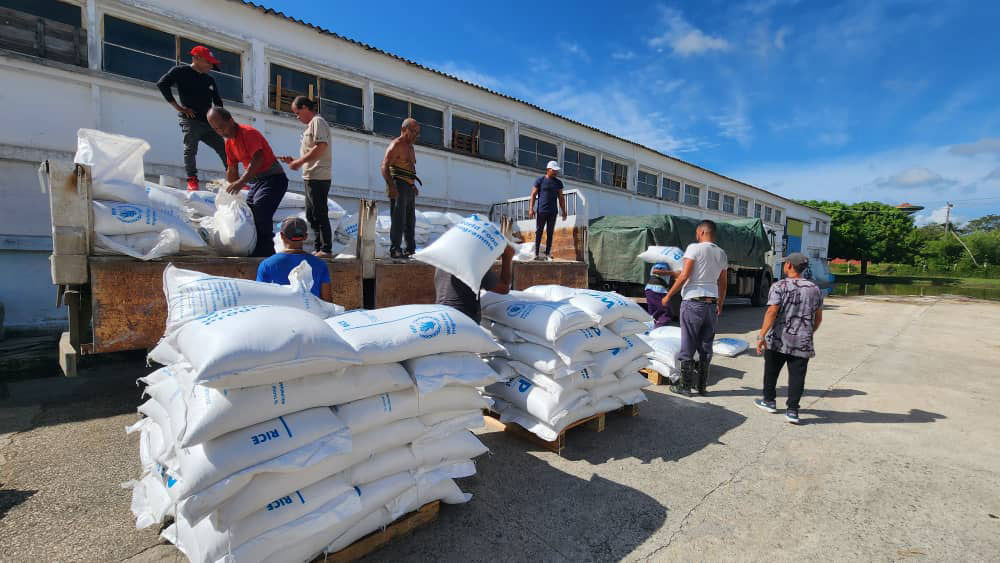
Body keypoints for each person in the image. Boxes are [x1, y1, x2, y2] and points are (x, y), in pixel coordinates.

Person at [754, 252, 824, 424]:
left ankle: (769, 401)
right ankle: (792, 411)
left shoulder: (779, 286)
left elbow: (772, 312)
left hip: (778, 338)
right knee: (797, 376)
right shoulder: (815, 289)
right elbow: (818, 318)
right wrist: (807, 332)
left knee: (771, 370)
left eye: (785, 263)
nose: (784, 265)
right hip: (802, 341)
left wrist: (761, 335)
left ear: (790, 266)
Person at [208, 107, 288, 257]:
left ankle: (266, 252)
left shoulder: (248, 133)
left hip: (274, 179)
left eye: (222, 127)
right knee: (249, 212)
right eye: (216, 129)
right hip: (258, 182)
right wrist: (231, 192)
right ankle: (254, 248)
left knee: (261, 208)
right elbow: (231, 168)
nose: (221, 132)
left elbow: (257, 159)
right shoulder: (229, 144)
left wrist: (241, 182)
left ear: (230, 121)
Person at [661, 220, 728, 396]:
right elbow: (723, 282)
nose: (696, 236)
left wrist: (668, 295)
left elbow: (684, 275)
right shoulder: (721, 253)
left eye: (697, 233)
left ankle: (684, 386)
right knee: (706, 345)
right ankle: (702, 387)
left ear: (701, 232)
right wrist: (720, 303)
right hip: (711, 304)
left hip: (693, 302)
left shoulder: (694, 248)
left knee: (688, 344)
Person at [157, 45, 228, 191]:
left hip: (209, 123)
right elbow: (162, 84)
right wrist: (179, 108)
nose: (210, 66)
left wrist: (222, 123)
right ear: (196, 58)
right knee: (190, 149)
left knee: (225, 149)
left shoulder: (210, 80)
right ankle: (192, 180)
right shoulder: (180, 72)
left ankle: (235, 179)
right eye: (208, 62)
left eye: (211, 63)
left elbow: (218, 102)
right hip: (191, 120)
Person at [278, 96, 333, 257]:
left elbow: (321, 147)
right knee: (311, 214)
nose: (297, 117)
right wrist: (294, 161)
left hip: (318, 175)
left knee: (319, 212)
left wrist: (299, 162)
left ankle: (326, 248)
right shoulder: (311, 126)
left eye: (297, 113)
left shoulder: (317, 122)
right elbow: (312, 152)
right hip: (310, 175)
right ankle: (318, 247)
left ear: (305, 108)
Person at [257, 217, 333, 302]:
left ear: (282, 236)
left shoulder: (266, 265)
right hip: (311, 315)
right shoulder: (320, 264)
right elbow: (327, 302)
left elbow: (261, 299)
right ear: (305, 236)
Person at [435, 245, 515, 324]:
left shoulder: (443, 260)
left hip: (441, 316)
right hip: (462, 321)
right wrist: (507, 257)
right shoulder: (472, 262)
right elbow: (503, 288)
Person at [380, 118, 421, 259]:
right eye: (413, 131)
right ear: (404, 129)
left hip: (408, 187)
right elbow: (384, 166)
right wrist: (391, 186)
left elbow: (409, 167)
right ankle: (395, 249)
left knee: (410, 220)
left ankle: (410, 249)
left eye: (417, 132)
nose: (415, 135)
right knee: (398, 219)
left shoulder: (411, 147)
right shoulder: (396, 145)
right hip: (397, 184)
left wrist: (412, 185)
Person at [527, 161, 568, 260]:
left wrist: (564, 211)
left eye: (556, 171)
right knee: (539, 231)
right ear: (549, 169)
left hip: (553, 211)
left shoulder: (558, 183)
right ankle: (536, 253)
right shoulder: (540, 180)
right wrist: (531, 209)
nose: (555, 173)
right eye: (554, 170)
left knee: (550, 232)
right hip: (541, 211)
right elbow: (533, 195)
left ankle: (547, 253)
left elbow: (561, 198)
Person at [645, 262, 679, 327]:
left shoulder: (667, 264)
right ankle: (658, 330)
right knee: (665, 313)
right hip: (657, 290)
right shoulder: (663, 262)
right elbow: (656, 271)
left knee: (655, 313)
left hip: (654, 290)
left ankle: (652, 329)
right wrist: (673, 273)